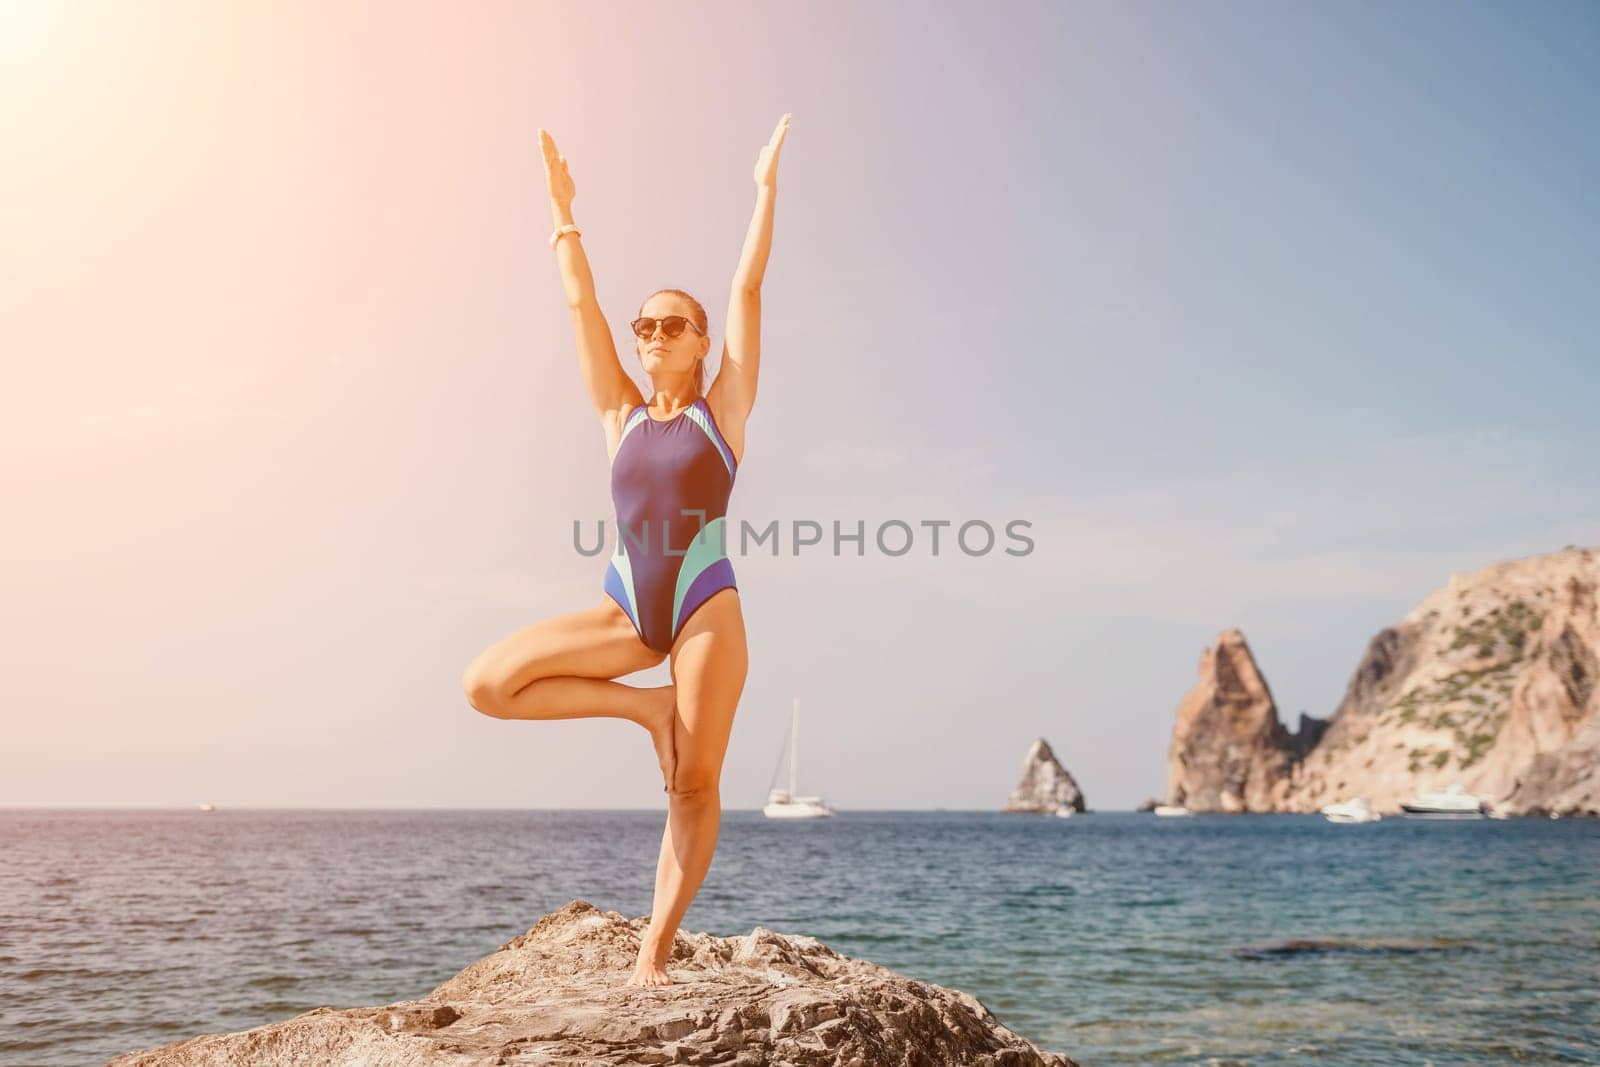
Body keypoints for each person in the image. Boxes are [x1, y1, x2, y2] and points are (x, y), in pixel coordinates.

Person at [461, 115, 790, 987]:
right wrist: (562, 213)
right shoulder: (619, 413)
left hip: (705, 612)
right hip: (626, 611)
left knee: (693, 783)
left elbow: (747, 291)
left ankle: (655, 951)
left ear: (698, 340)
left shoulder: (725, 412)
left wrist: (763, 192)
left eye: (668, 326)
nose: (649, 335)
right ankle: (644, 709)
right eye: (643, 326)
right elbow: (580, 301)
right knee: (488, 683)